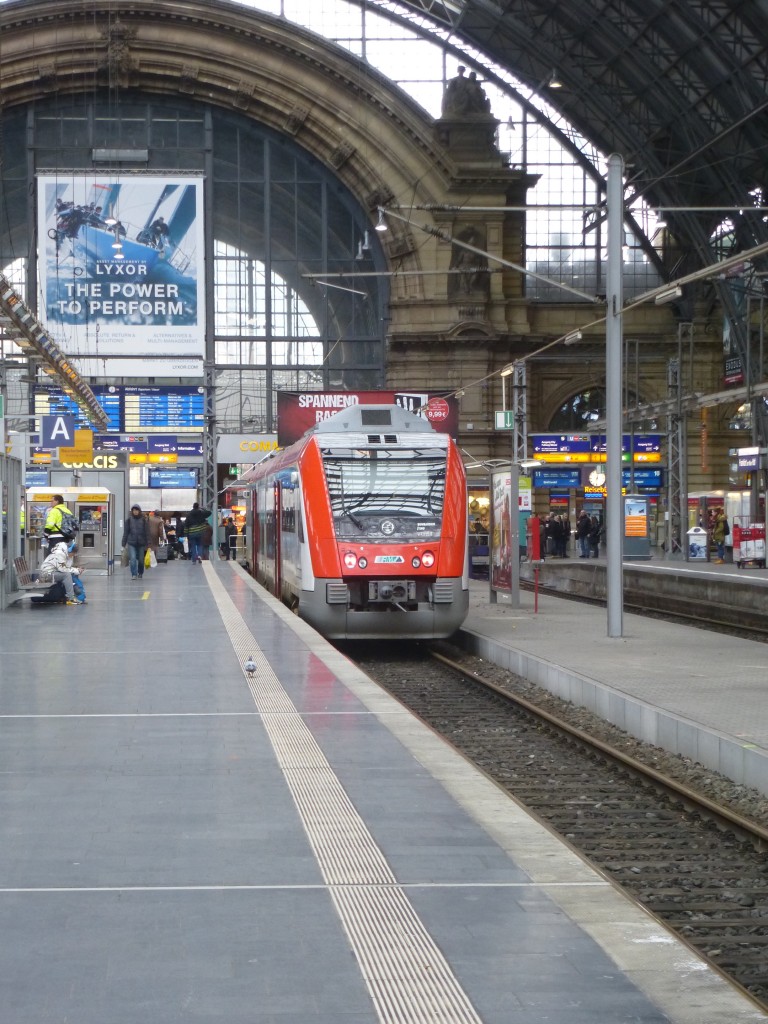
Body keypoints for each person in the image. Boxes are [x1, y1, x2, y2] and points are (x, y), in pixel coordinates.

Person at [39, 538, 80, 605]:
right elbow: (63, 569)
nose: (73, 555)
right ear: (69, 550)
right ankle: (70, 598)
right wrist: (76, 570)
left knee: (68, 574)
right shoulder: (59, 553)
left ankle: (69, 596)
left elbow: (66, 566)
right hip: (46, 575)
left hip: (51, 573)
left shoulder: (63, 552)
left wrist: (75, 569)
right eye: (73, 554)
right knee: (66, 575)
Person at [122, 504, 149, 580]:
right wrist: (123, 543)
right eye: (134, 510)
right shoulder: (129, 520)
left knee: (141, 559)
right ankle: (134, 574)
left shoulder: (143, 520)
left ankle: (140, 572)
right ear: (132, 511)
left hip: (141, 543)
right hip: (131, 542)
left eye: (137, 510)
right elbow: (126, 532)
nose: (135, 512)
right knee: (133, 559)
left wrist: (149, 543)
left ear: (139, 511)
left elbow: (147, 532)